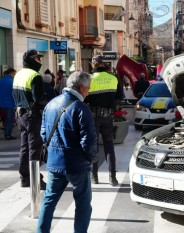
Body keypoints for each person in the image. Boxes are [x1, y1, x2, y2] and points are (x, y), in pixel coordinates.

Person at [36, 71, 98, 233]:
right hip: (77, 165)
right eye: (89, 88)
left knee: (49, 202)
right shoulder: (81, 108)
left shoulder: (51, 104)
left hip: (55, 162)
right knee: (83, 204)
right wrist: (91, 159)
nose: (89, 91)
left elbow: (43, 133)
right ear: (82, 88)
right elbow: (89, 140)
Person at [13, 49, 48, 189]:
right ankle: (35, 179)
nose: (40, 61)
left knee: (24, 147)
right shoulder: (35, 75)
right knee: (35, 147)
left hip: (21, 114)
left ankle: (24, 178)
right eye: (38, 58)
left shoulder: (19, 74)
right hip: (32, 115)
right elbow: (39, 99)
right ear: (33, 60)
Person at [84, 55, 119, 186]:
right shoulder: (113, 78)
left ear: (93, 64)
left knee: (93, 147)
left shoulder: (88, 79)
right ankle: (113, 178)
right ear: (103, 64)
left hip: (93, 118)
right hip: (108, 117)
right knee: (109, 147)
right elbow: (119, 97)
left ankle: (94, 176)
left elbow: (83, 99)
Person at [0, 68, 17, 140]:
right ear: (11, 73)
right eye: (14, 73)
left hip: (1, 104)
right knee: (9, 120)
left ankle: (7, 133)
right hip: (10, 103)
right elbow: (15, 93)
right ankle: (8, 135)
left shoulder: (1, 81)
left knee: (5, 119)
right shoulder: (13, 81)